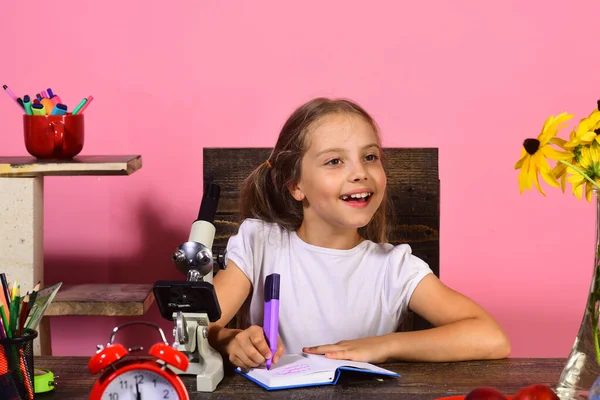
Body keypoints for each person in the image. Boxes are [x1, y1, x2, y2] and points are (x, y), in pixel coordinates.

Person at [207, 97, 510, 369]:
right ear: (296, 185)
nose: (359, 173)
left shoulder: (395, 267)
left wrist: (382, 346)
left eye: (370, 157)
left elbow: (492, 338)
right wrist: (230, 340)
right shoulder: (261, 244)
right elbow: (200, 326)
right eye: (334, 161)